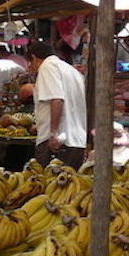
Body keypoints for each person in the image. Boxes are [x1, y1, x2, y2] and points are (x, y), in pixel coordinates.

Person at [27, 41, 87, 169]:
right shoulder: (71, 70)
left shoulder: (47, 67)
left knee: (46, 184)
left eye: (30, 63)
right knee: (69, 185)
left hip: (58, 142)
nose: (31, 67)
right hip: (76, 140)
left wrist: (53, 133)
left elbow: (57, 99)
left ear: (33, 57)